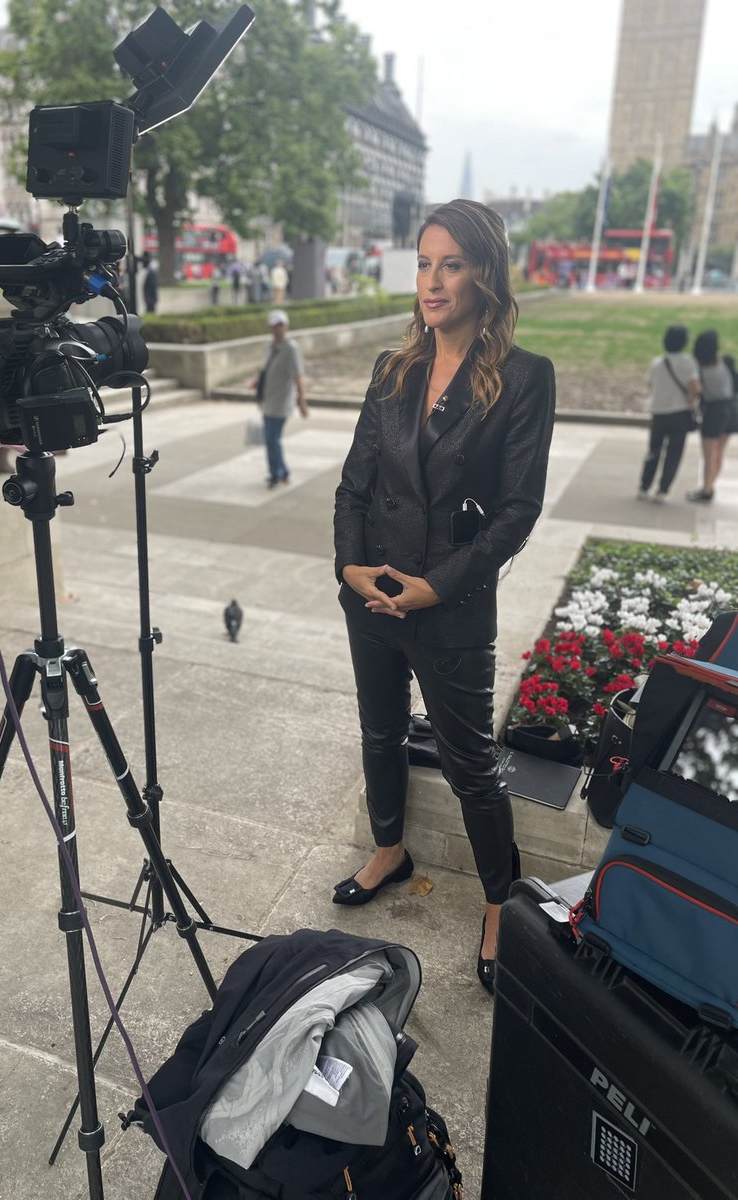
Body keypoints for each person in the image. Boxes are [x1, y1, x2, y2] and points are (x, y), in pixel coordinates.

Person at [332, 199, 556, 995]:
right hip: (373, 595)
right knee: (379, 732)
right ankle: (390, 849)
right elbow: (355, 485)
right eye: (424, 263)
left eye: (451, 264)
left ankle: (499, 898)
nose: (432, 282)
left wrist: (437, 586)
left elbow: (518, 511)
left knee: (470, 765)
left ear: (485, 274)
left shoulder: (525, 379)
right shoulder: (393, 370)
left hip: (451, 606)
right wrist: (350, 570)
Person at [637, 324, 701, 502]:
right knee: (674, 453)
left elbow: (650, 385)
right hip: (679, 413)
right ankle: (663, 490)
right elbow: (694, 386)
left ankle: (644, 486)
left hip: (658, 411)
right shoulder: (689, 362)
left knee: (653, 451)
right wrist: (690, 400)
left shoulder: (657, 362)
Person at [258, 310, 308, 487]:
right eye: (274, 325)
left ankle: (275, 473)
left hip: (281, 402)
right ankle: (282, 471)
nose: (277, 329)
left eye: (280, 325)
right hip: (268, 401)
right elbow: (267, 371)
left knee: (272, 439)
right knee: (272, 439)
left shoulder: (290, 348)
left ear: (285, 326)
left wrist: (301, 401)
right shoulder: (269, 347)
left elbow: (298, 376)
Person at [687, 329, 737, 503]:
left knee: (709, 455)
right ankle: (710, 485)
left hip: (714, 411)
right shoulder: (728, 361)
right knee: (719, 452)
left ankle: (706, 489)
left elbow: (697, 391)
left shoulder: (698, 367)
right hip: (732, 409)